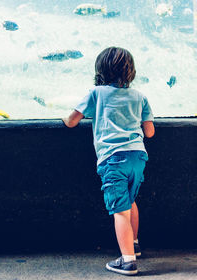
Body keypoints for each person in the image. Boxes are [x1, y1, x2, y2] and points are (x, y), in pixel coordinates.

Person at [63, 47, 155, 275]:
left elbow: (72, 121)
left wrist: (63, 118)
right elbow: (150, 132)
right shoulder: (140, 96)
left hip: (113, 159)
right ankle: (133, 244)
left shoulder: (96, 93)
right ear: (131, 71)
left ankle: (127, 261)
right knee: (131, 201)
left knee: (119, 210)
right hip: (138, 157)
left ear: (101, 70)